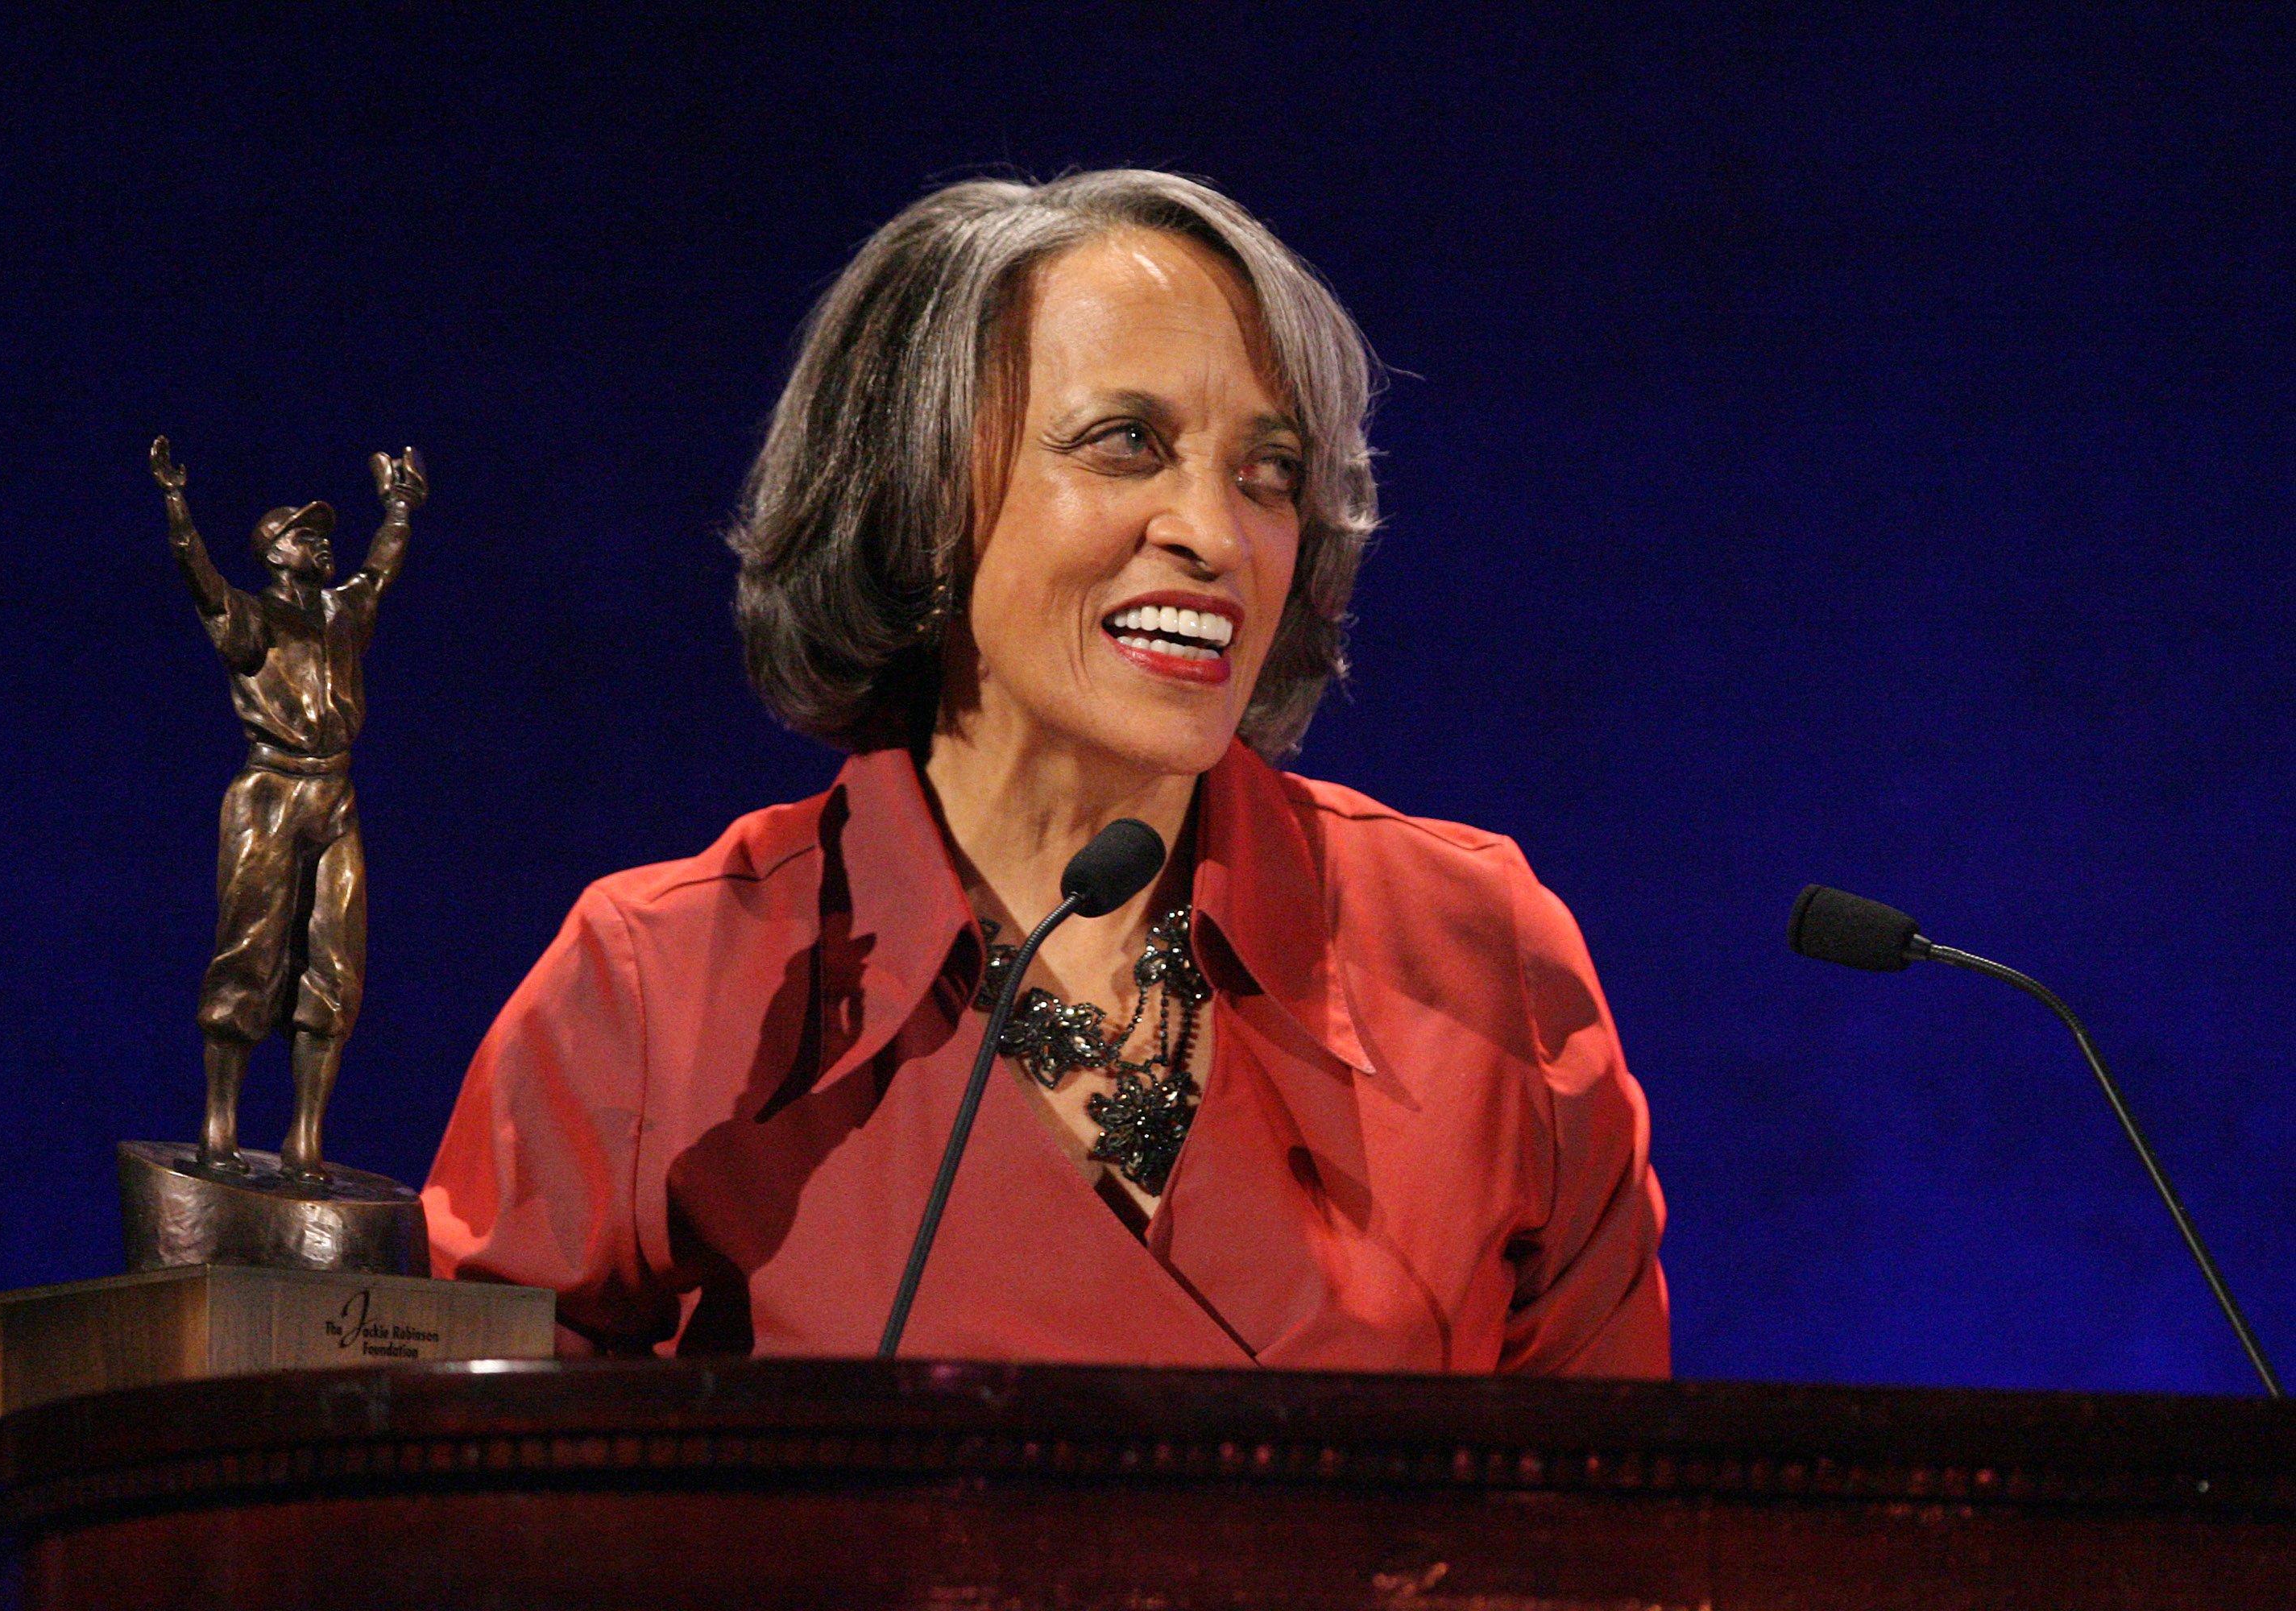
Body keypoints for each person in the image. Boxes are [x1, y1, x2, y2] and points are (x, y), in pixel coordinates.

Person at [424, 171, 1667, 1373]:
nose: (1216, 535)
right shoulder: (664, 990)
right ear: (919, 493)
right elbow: (463, 1513)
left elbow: (1619, 1540)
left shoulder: (1473, 956)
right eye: (1128, 443)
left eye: (1267, 472)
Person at [154, 435, 428, 1179]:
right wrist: (178, 504)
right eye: (307, 536)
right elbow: (200, 579)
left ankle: (305, 1137)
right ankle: (221, 1126)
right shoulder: (248, 618)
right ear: (275, 551)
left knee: (336, 961)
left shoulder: (342, 614)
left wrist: (401, 504)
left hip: (334, 793)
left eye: (323, 535)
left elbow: (383, 564)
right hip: (269, 791)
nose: (322, 545)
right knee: (250, 950)